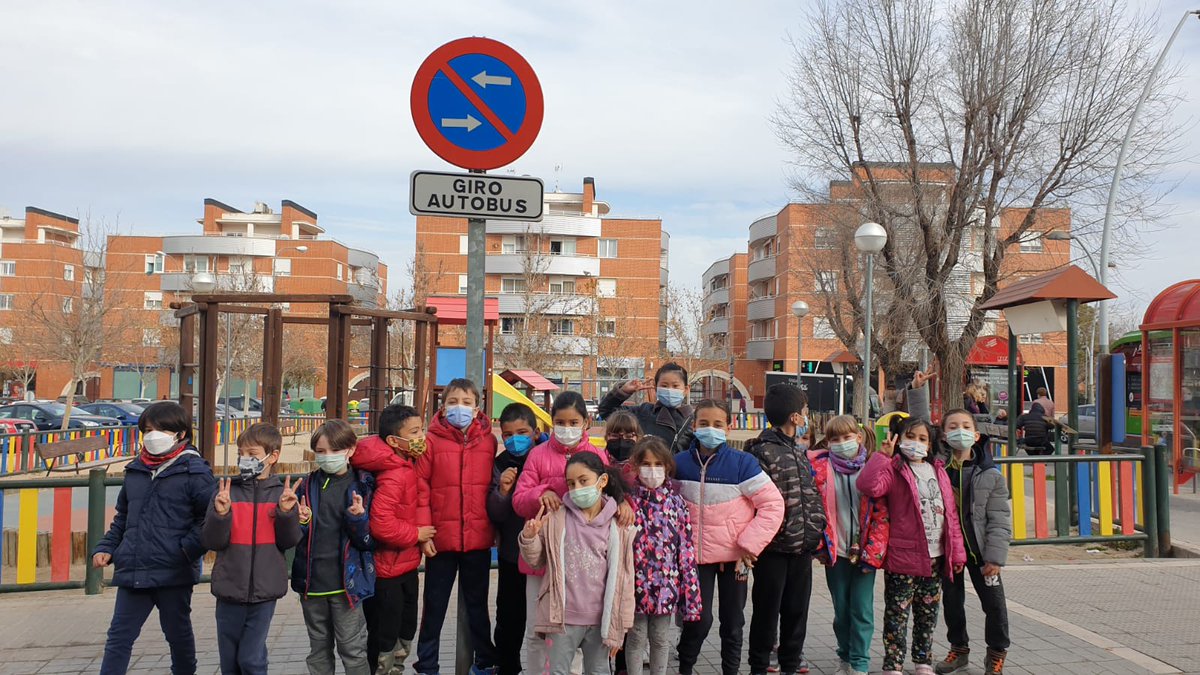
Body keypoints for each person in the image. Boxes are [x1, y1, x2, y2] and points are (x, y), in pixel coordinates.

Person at [93, 401, 216, 675]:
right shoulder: (136, 470)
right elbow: (123, 517)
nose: (152, 435)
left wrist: (184, 551)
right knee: (119, 637)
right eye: (148, 429)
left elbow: (208, 519)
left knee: (177, 634)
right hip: (133, 568)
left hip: (174, 571)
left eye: (160, 429)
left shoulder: (195, 471)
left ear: (180, 434)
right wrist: (107, 547)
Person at [512, 391, 622, 674]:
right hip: (541, 559)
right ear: (551, 423)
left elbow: (612, 494)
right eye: (560, 422)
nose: (567, 428)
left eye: (573, 422)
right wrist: (542, 492)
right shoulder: (538, 455)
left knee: (575, 630)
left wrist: (625, 505)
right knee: (537, 629)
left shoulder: (597, 455)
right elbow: (519, 500)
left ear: (585, 422)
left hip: (582, 561)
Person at [674, 399, 785, 675]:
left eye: (717, 424)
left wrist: (750, 545)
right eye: (703, 424)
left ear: (729, 426)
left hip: (737, 557)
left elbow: (773, 505)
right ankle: (685, 666)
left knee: (733, 622)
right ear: (694, 425)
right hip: (695, 558)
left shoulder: (743, 464)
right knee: (697, 620)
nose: (710, 429)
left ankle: (731, 671)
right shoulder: (677, 464)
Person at [857, 417, 966, 675]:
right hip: (903, 558)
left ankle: (923, 661)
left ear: (930, 445)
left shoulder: (938, 471)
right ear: (899, 439)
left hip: (935, 558)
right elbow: (868, 486)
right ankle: (893, 664)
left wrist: (957, 553)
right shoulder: (894, 471)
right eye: (910, 436)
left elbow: (950, 516)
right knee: (897, 615)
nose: (915, 443)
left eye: (922, 438)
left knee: (927, 615)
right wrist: (882, 457)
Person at [519, 452, 637, 675]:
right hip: (562, 619)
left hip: (600, 622)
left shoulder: (617, 526)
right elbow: (536, 560)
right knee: (557, 671)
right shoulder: (556, 518)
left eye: (584, 481)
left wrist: (619, 628)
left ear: (602, 481)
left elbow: (625, 579)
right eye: (571, 483)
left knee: (599, 670)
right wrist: (530, 538)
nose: (577, 488)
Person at [202, 422, 303, 675]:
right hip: (229, 588)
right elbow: (213, 541)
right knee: (230, 661)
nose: (244, 460)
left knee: (251, 658)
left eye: (253, 454)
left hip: (265, 591)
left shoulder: (281, 494)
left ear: (273, 456)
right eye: (241, 454)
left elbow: (289, 541)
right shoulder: (226, 492)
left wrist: (286, 513)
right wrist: (220, 514)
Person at [414, 378, 498, 675]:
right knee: (434, 607)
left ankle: (485, 662)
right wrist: (424, 531)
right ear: (443, 405)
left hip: (477, 540)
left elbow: (493, 487)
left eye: (466, 402)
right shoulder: (430, 441)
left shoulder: (489, 440)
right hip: (440, 540)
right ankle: (426, 665)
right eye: (453, 402)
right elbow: (421, 488)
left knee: (478, 607)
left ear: (477, 409)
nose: (459, 408)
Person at [744, 384, 826, 675]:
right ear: (795, 416)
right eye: (804, 411)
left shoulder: (799, 451)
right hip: (773, 551)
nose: (806, 416)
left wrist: (817, 532)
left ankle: (790, 664)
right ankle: (759, 665)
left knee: (796, 612)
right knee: (766, 613)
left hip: (801, 550)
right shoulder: (761, 451)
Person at [350, 404, 435, 674]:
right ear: (394, 441)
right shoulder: (393, 475)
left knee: (404, 627)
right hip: (387, 570)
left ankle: (395, 668)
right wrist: (416, 534)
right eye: (415, 432)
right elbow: (381, 525)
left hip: (406, 565)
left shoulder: (407, 464)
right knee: (385, 633)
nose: (421, 437)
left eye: (421, 429)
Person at [292, 419, 376, 675]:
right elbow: (294, 535)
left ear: (350, 449)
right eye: (320, 451)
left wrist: (358, 517)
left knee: (352, 650)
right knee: (318, 651)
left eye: (335, 450)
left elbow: (368, 541)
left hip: (346, 587)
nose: (327, 457)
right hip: (312, 584)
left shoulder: (363, 485)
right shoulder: (306, 485)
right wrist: (298, 519)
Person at [810, 415, 890, 675]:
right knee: (841, 610)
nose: (842, 443)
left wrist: (874, 553)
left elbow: (881, 514)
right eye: (835, 439)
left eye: (847, 437)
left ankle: (860, 662)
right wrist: (820, 546)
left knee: (862, 609)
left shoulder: (871, 467)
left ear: (858, 437)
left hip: (866, 555)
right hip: (836, 553)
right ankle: (844, 654)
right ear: (828, 442)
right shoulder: (821, 469)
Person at [935, 410, 1012, 675]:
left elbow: (1000, 518)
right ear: (944, 435)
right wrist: (918, 391)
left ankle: (996, 654)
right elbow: (920, 425)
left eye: (966, 426)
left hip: (982, 554)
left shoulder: (990, 474)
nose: (960, 430)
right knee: (952, 603)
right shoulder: (937, 469)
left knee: (994, 605)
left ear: (976, 435)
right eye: (953, 426)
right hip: (950, 552)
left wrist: (995, 557)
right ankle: (959, 649)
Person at [625, 436, 701, 675]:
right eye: (646, 464)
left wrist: (689, 590)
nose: (652, 470)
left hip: (665, 585)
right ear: (636, 467)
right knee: (636, 638)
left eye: (658, 464)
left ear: (667, 467)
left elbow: (686, 548)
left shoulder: (676, 503)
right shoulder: (628, 502)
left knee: (659, 638)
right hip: (634, 584)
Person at [488, 403, 549, 675]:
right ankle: (508, 665)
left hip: (546, 556)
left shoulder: (547, 457)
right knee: (510, 617)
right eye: (508, 434)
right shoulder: (500, 465)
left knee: (546, 618)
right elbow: (496, 514)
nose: (515, 439)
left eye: (522, 432)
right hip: (513, 554)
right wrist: (503, 491)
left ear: (536, 432)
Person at [598, 362, 694, 453]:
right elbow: (607, 411)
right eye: (664, 386)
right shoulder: (644, 412)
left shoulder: (694, 420)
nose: (669, 390)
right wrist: (623, 392)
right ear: (656, 388)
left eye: (675, 386)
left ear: (686, 389)